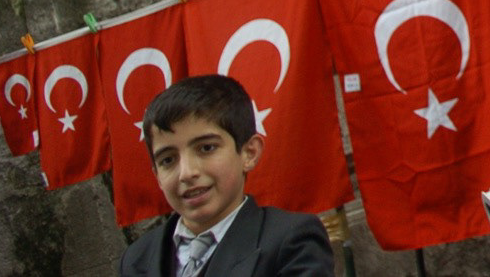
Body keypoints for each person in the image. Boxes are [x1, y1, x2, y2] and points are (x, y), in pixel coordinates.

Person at [120, 74, 333, 277]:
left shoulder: (292, 241)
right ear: (157, 175)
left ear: (249, 153)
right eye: (168, 160)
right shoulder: (137, 258)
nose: (186, 173)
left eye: (206, 148)